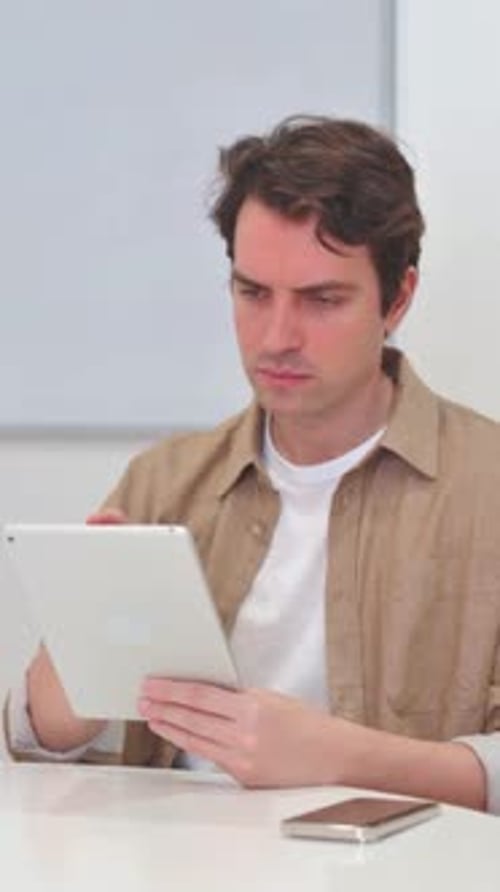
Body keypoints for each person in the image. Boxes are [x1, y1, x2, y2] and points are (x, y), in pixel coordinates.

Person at [9, 116, 500, 812]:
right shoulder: (164, 481)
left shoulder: (487, 488)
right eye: (252, 293)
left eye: (322, 300)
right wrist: (64, 692)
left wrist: (339, 758)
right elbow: (38, 752)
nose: (277, 337)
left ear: (399, 298)